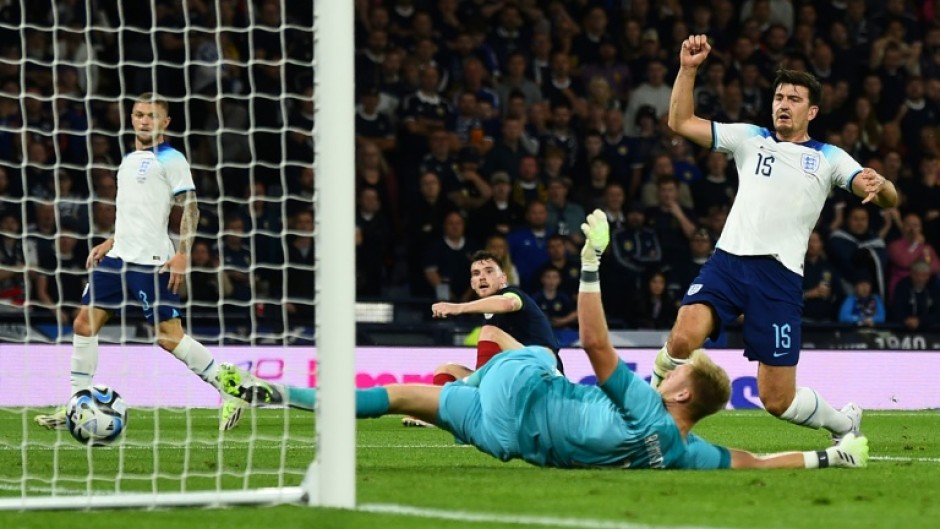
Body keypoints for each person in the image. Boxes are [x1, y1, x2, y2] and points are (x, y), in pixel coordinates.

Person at [217, 211, 869, 471]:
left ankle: (268, 388)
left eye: (675, 369)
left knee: (497, 347)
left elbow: (591, 340)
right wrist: (830, 459)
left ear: (677, 386)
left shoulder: (644, 404)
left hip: (520, 383)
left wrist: (590, 259)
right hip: (503, 438)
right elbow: (754, 463)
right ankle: (270, 389)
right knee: (399, 397)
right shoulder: (679, 452)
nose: (666, 371)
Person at [660, 35, 898, 441]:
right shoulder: (751, 139)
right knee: (684, 333)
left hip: (779, 278)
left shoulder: (828, 157)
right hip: (728, 263)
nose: (783, 104)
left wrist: (882, 183)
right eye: (779, 97)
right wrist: (688, 69)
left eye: (793, 99)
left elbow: (882, 196)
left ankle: (844, 423)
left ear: (813, 110)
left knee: (777, 399)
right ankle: (650, 412)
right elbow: (681, 123)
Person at [34, 93, 244, 431]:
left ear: (166, 122)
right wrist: (111, 240)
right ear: (131, 118)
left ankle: (230, 389)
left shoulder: (172, 158)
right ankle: (78, 403)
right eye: (139, 114)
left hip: (153, 262)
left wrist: (182, 253)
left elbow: (190, 207)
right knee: (83, 325)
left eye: (152, 115)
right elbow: (134, 212)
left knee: (168, 337)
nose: (144, 121)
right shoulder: (129, 160)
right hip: (118, 259)